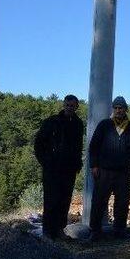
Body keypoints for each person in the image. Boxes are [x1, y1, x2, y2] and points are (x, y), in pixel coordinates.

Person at [88, 96, 130, 240]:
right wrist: (94, 165)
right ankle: (95, 231)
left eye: (121, 108)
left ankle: (119, 229)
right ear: (113, 109)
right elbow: (94, 146)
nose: (118, 110)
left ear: (125, 109)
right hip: (104, 171)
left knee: (123, 202)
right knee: (99, 201)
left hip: (124, 172)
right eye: (116, 108)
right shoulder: (104, 125)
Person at [33, 94, 84, 240]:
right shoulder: (52, 122)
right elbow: (38, 143)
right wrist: (45, 161)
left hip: (69, 169)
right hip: (52, 169)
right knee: (51, 200)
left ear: (76, 107)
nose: (70, 108)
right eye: (67, 105)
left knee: (64, 199)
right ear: (63, 105)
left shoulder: (78, 124)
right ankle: (48, 231)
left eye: (73, 106)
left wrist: (77, 163)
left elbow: (78, 146)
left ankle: (60, 230)